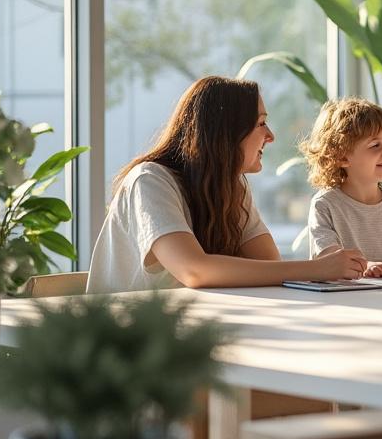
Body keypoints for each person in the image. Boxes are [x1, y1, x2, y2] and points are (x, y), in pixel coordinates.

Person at [87, 77, 366, 294]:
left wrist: (314, 269)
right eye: (261, 124)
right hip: (125, 347)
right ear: (226, 133)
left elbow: (269, 266)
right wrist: (316, 268)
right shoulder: (149, 181)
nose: (271, 136)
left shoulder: (233, 188)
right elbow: (194, 270)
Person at [302, 98, 382, 278]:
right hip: (348, 302)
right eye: (375, 145)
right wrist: (365, 267)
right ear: (341, 157)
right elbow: (329, 261)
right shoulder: (325, 205)